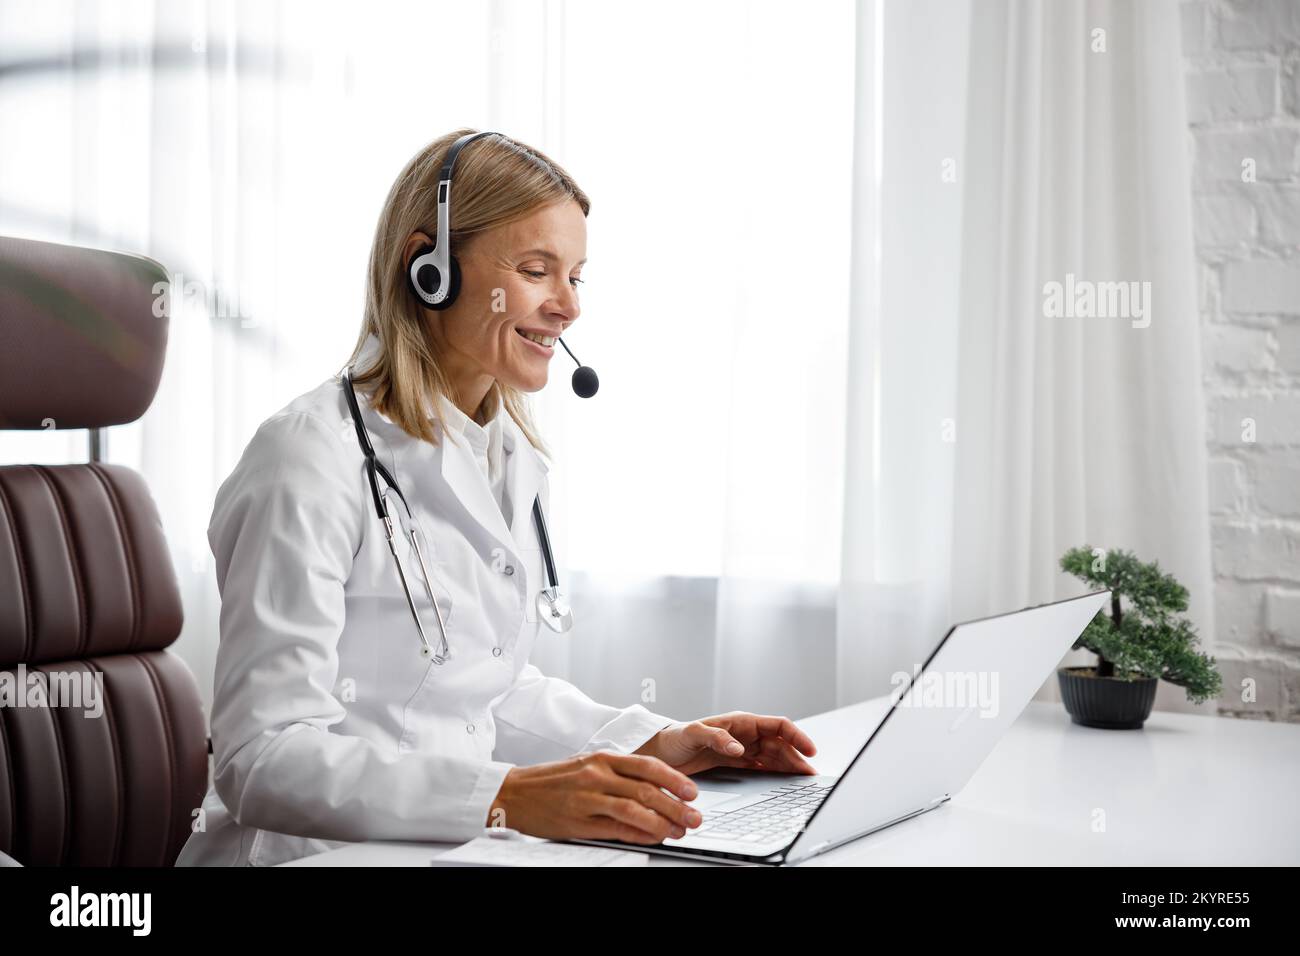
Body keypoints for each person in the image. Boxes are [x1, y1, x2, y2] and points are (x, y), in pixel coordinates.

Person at [176, 129, 816, 867]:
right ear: (431, 269)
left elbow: (479, 691)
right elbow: (263, 758)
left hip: (454, 846)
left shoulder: (504, 454)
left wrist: (654, 742)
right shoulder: (309, 456)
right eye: (539, 269)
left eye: (577, 277)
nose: (568, 306)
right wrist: (504, 795)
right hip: (310, 854)